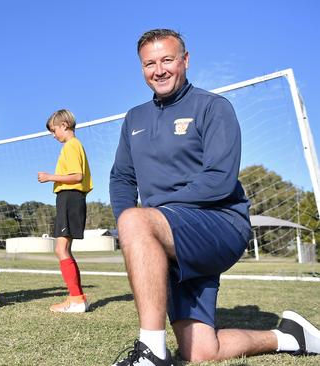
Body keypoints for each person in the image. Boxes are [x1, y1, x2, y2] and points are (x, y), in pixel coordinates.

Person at [109, 28, 320, 365]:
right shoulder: (134, 118)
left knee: (137, 219)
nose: (159, 70)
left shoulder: (213, 107)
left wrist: (144, 220)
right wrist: (126, 223)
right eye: (150, 63)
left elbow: (220, 180)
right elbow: (121, 177)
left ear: (185, 61)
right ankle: (291, 337)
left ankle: (151, 353)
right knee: (200, 351)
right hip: (167, 234)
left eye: (167, 60)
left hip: (218, 224)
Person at [38, 109, 93, 313]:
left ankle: (77, 300)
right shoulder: (73, 146)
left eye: (54, 130)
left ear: (64, 125)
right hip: (69, 199)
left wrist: (50, 177)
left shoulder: (71, 146)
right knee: (63, 249)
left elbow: (77, 176)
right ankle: (78, 298)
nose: (54, 135)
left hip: (70, 197)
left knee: (61, 249)